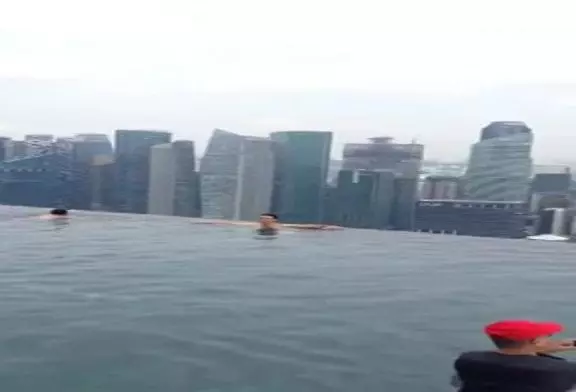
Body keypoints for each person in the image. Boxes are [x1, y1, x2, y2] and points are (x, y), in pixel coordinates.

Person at [452, 319, 576, 392]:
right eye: (548, 336)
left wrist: (537, 352)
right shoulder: (564, 370)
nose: (551, 340)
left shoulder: (467, 361)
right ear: (535, 341)